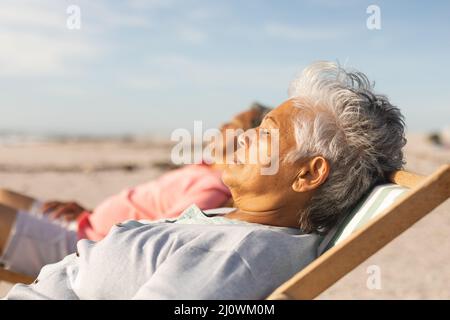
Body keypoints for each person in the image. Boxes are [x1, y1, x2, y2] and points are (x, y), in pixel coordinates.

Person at [4, 61, 406, 300]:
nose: (243, 137)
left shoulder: (239, 255)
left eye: (264, 133)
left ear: (308, 173)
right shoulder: (239, 223)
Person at [0, 104, 271, 276]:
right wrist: (93, 212)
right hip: (85, 224)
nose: (221, 128)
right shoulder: (204, 168)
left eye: (232, 125)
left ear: (246, 140)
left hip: (82, 246)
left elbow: (161, 233)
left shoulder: (214, 185)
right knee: (4, 194)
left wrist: (97, 224)